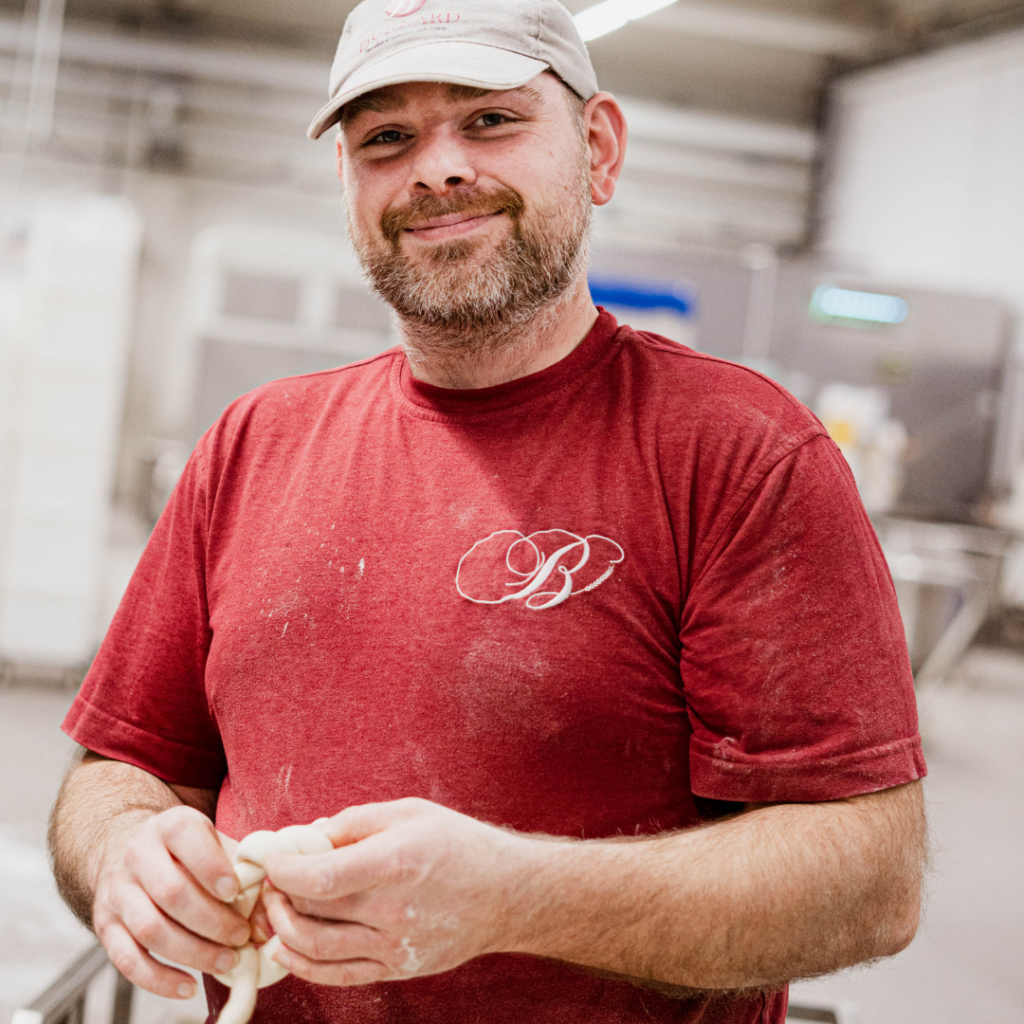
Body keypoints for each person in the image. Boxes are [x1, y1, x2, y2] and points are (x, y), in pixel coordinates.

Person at [48, 0, 928, 1021]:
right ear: (348, 184)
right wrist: (124, 851)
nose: (436, 168)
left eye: (490, 121)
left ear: (598, 150)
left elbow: (869, 878)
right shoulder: (254, 445)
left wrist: (511, 897)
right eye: (386, 138)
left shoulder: (738, 454)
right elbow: (121, 766)